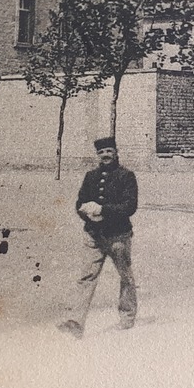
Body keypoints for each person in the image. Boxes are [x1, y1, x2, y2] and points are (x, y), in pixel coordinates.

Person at [59, 136, 140, 339]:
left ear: (115, 152)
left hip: (118, 236)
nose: (105, 155)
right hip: (93, 235)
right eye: (101, 152)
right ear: (97, 155)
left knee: (125, 276)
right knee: (86, 277)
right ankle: (75, 322)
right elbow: (80, 202)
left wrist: (103, 209)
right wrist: (85, 211)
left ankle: (127, 316)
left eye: (109, 151)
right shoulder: (90, 176)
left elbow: (129, 207)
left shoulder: (126, 176)